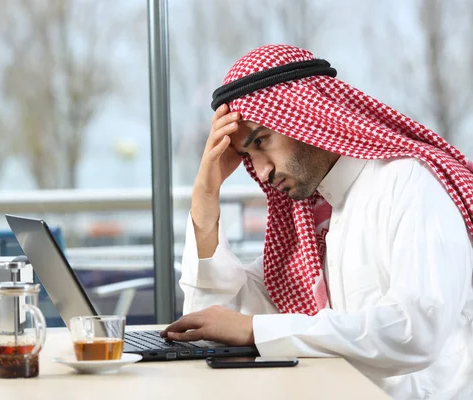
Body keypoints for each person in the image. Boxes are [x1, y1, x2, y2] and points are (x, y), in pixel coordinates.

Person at [160, 44, 473, 399]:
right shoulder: (315, 213)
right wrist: (205, 196)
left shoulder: (409, 184)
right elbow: (212, 322)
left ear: (308, 116)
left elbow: (416, 330)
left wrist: (253, 329)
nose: (261, 171)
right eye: (248, 155)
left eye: (262, 141)